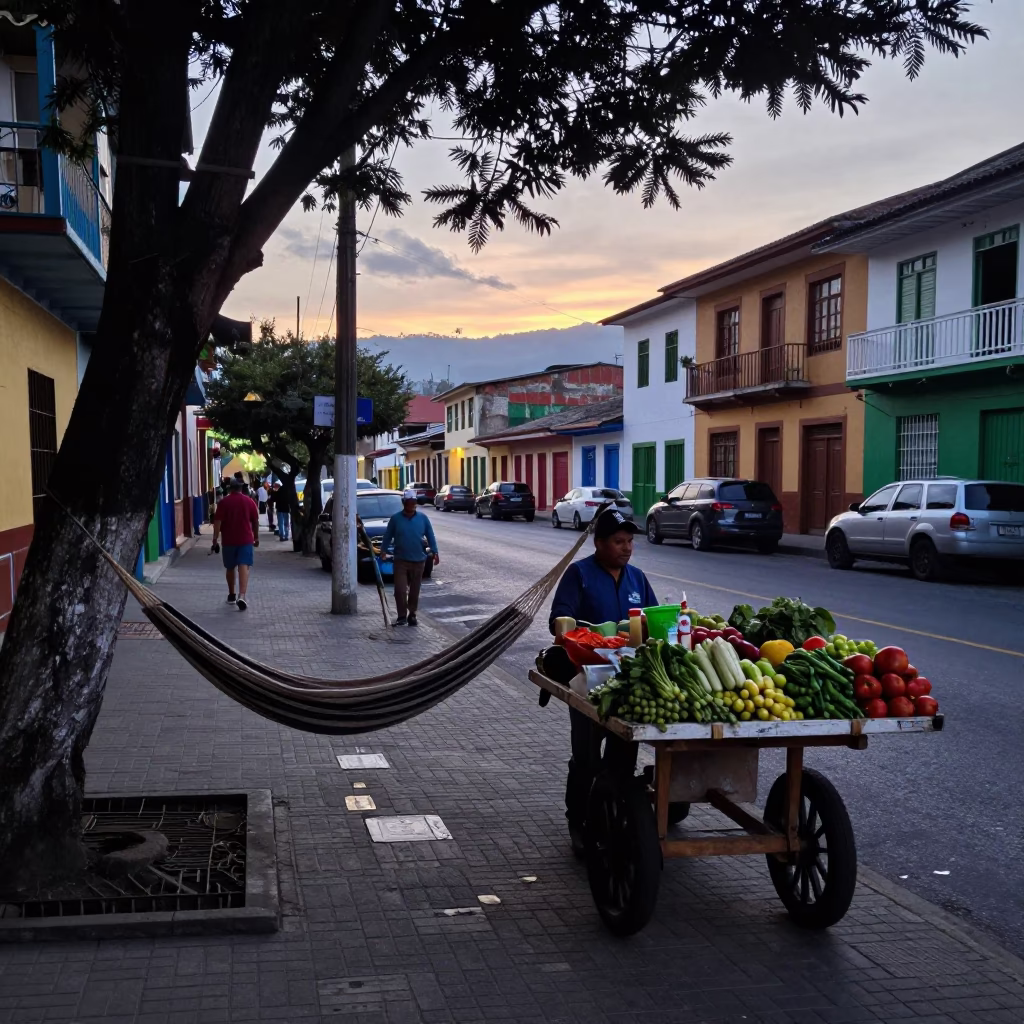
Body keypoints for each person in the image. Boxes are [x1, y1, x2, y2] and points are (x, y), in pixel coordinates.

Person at [548, 507, 658, 856]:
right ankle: (578, 821)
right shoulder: (578, 574)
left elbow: (653, 623)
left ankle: (616, 819)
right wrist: (582, 637)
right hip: (588, 678)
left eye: (629, 542)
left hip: (627, 682)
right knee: (586, 757)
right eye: (618, 541)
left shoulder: (637, 578)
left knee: (623, 757)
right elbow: (558, 622)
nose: (626, 548)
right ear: (598, 544)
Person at [381, 489, 439, 626]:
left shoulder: (423, 518)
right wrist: (383, 550)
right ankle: (401, 616)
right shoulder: (396, 519)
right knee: (400, 590)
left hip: (418, 560)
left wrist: (435, 552)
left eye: (414, 503)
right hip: (400, 560)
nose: (412, 505)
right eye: (409, 502)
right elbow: (388, 536)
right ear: (404, 503)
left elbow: (430, 535)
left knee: (414, 591)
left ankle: (412, 614)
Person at [211, 479, 260, 610]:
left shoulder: (223, 503)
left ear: (230, 488)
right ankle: (242, 595)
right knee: (244, 565)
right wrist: (256, 537)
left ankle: (231, 595)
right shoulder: (249, 502)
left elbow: (217, 522)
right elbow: (255, 521)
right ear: (241, 488)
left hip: (228, 541)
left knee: (230, 567)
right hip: (245, 540)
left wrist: (215, 539)